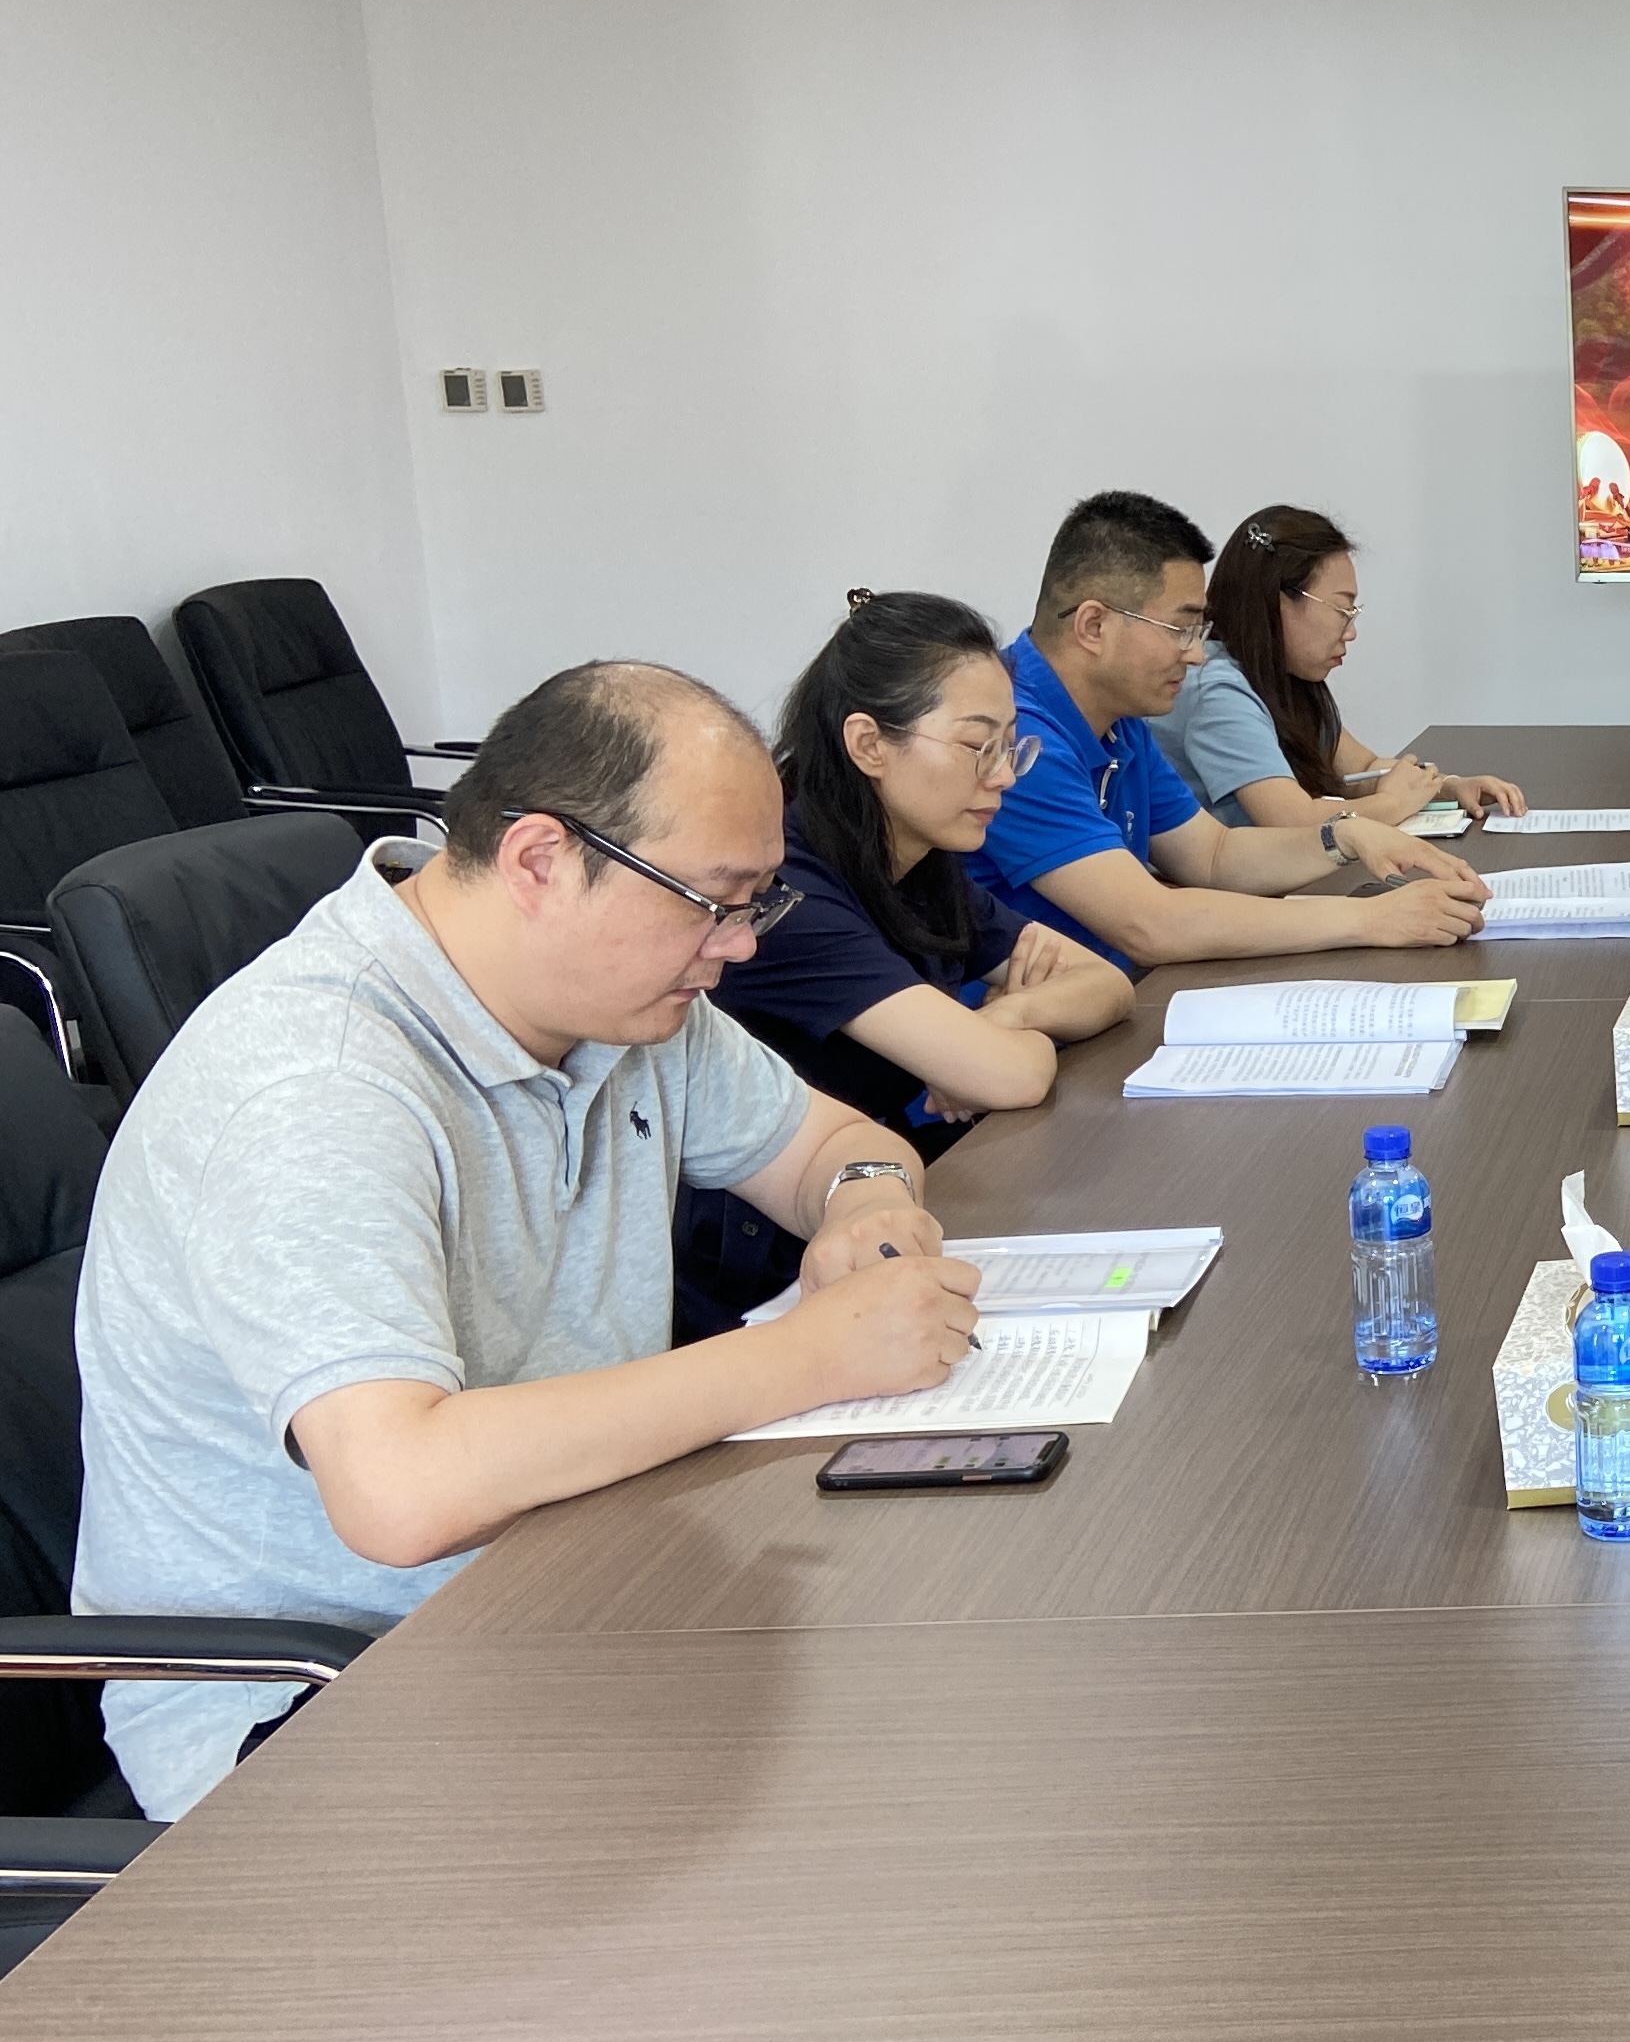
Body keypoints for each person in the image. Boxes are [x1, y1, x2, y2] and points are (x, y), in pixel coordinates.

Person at [71, 662, 983, 1818]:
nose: (740, 946)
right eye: (714, 900)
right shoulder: (317, 1087)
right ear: (541, 860)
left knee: (927, 1702)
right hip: (321, 1702)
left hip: (580, 1571)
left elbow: (834, 1146)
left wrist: (865, 1207)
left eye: (757, 903)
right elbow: (398, 1492)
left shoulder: (630, 1007)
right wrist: (812, 1354)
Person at [679, 590, 1136, 1333]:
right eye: (977, 746)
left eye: (1010, 746)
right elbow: (1010, 1076)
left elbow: (1105, 984)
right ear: (868, 745)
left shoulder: (920, 863)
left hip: (886, 1202)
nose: (1004, 775)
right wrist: (983, 1048)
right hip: (768, 1271)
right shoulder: (788, 897)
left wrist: (1004, 1016)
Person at [970, 490, 1486, 969]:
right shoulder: (1017, 738)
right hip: (1043, 1019)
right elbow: (1150, 925)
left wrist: (1342, 836)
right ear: (1094, 626)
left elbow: (1213, 854)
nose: (1196, 654)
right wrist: (1371, 919)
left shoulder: (1119, 721)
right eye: (1181, 630)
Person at [1156, 504, 1528, 830]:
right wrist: (1391, 805)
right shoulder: (1216, 689)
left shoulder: (1286, 677)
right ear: (1277, 600)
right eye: (1341, 609)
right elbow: (1292, 820)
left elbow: (1363, 769)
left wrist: (1447, 787)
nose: (1351, 632)